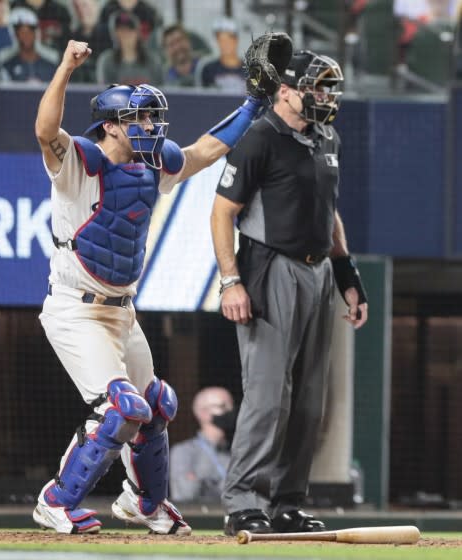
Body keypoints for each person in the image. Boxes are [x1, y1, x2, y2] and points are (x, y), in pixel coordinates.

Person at [31, 37, 268, 535]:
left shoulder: (152, 164)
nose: (150, 128)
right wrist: (66, 68)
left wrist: (254, 104)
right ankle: (56, 500)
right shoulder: (81, 163)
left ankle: (144, 503)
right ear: (111, 125)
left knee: (158, 405)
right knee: (121, 408)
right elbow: (45, 129)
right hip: (75, 308)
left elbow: (206, 150)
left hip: (122, 310)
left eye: (152, 119)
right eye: (139, 120)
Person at [210, 50, 369, 536]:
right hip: (270, 267)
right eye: (316, 88)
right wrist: (231, 280)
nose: (325, 97)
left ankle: (287, 503)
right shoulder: (260, 137)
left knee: (309, 399)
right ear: (285, 89)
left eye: (329, 88)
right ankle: (242, 502)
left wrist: (347, 275)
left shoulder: (326, 136)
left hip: (318, 270)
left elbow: (329, 211)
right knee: (267, 396)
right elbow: (221, 214)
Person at [170, 387, 235, 503]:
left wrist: (203, 482)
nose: (230, 411)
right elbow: (185, 493)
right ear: (203, 413)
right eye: (223, 406)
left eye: (231, 406)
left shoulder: (236, 453)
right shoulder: (183, 452)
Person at [95, 10, 162, 86]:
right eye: (121, 30)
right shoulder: (107, 61)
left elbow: (161, 90)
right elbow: (105, 92)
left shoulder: (152, 61)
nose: (125, 34)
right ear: (115, 34)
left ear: (137, 33)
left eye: (130, 30)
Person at [0, 7, 58, 82]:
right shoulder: (8, 65)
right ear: (16, 36)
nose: (26, 36)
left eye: (29, 32)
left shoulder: (49, 65)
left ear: (35, 34)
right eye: (22, 32)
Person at [196, 17, 246, 94]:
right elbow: (203, 100)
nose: (225, 44)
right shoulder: (208, 69)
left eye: (229, 39)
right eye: (221, 39)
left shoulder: (251, 70)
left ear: (236, 40)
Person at [69, 0, 112, 84]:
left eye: (85, 6)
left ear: (96, 6)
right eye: (78, 7)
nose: (82, 10)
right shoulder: (71, 37)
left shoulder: (110, 35)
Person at [161, 23, 202, 87]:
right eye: (171, 44)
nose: (177, 47)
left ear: (188, 41)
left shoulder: (205, 67)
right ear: (166, 51)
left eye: (179, 40)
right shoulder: (163, 78)